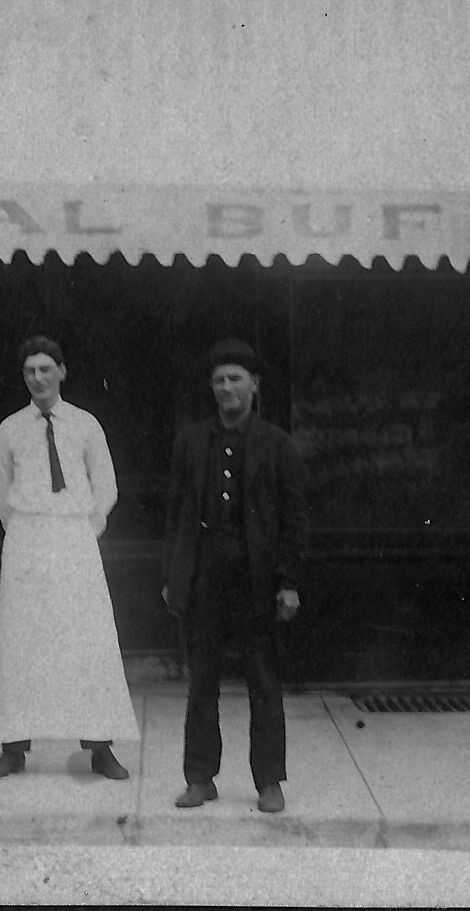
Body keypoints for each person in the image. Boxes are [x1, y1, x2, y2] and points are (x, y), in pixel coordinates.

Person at [161, 339, 308, 814]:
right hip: (205, 574)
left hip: (256, 577)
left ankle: (269, 781)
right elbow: (177, 515)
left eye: (235, 379)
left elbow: (294, 520)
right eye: (219, 380)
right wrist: (175, 575)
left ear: (255, 385)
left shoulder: (278, 446)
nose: (226, 388)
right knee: (201, 680)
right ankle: (200, 778)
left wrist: (288, 581)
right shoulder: (190, 441)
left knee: (263, 680)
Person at [0, 335, 138, 780]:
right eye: (30, 371)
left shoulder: (86, 424)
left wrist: (82, 531)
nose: (37, 378)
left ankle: (100, 747)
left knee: (87, 642)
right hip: (27, 539)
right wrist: (28, 532)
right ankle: (13, 747)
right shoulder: (10, 428)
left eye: (45, 369)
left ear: (62, 372)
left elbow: (106, 487)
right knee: (20, 644)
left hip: (74, 539)